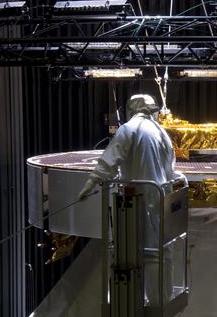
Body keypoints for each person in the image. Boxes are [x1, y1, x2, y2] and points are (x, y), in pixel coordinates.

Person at [78, 93, 184, 305]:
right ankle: (162, 299)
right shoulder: (161, 132)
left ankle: (141, 301)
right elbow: (170, 168)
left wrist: (90, 185)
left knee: (136, 252)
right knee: (162, 248)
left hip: (136, 200)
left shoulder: (129, 129)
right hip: (162, 196)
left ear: (131, 109)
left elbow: (109, 161)